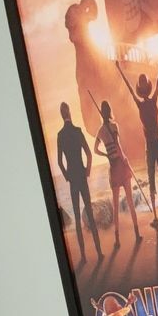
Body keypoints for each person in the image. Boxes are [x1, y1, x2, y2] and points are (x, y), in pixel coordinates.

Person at [115, 49, 158, 229]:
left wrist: (119, 70)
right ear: (147, 89)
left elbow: (130, 88)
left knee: (154, 180)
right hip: (155, 144)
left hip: (151, 146)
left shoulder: (141, 104)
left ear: (141, 89)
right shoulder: (152, 100)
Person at [56, 102, 101, 262]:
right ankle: (99, 252)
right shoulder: (77, 131)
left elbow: (59, 161)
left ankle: (83, 256)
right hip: (81, 175)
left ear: (62, 115)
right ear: (69, 113)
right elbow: (89, 153)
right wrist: (87, 170)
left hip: (73, 178)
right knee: (89, 211)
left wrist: (67, 176)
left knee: (76, 215)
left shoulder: (60, 135)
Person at [93, 100, 140, 248]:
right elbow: (118, 146)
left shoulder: (100, 131)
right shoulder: (114, 126)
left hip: (113, 167)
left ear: (101, 113)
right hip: (121, 164)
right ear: (109, 111)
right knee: (130, 201)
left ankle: (117, 239)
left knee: (115, 204)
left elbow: (95, 150)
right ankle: (137, 234)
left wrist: (106, 155)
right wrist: (125, 160)